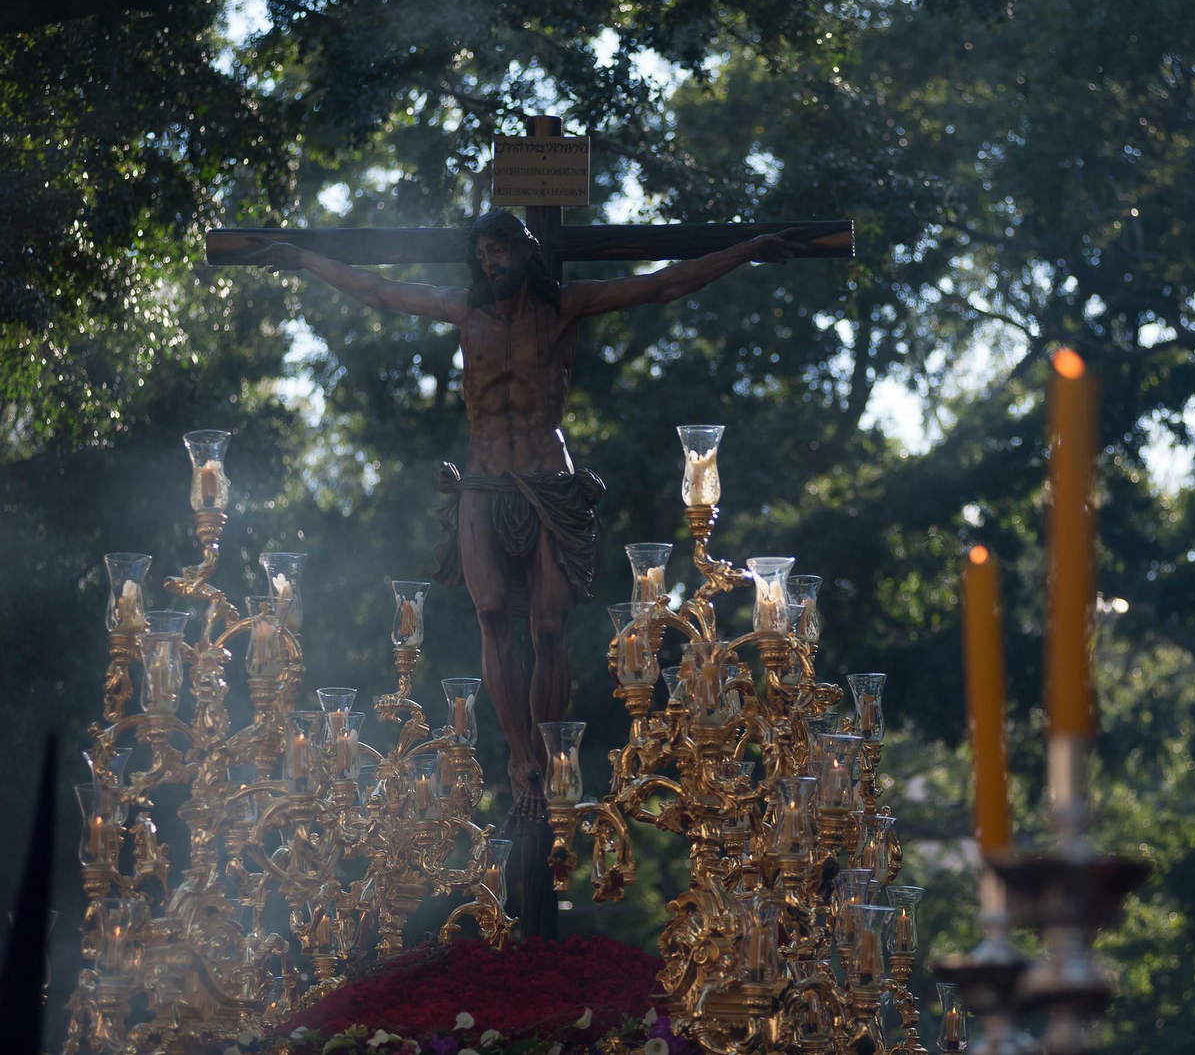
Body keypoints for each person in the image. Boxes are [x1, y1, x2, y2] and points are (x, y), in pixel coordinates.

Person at [256, 212, 804, 811]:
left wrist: (747, 249)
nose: (490, 264)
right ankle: (522, 761)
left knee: (548, 627)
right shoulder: (465, 312)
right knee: (490, 613)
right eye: (482, 256)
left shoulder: (563, 307)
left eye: (499, 252)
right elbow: (379, 291)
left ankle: (549, 754)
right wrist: (305, 259)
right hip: (483, 480)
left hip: (550, 481)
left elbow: (662, 284)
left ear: (525, 251)